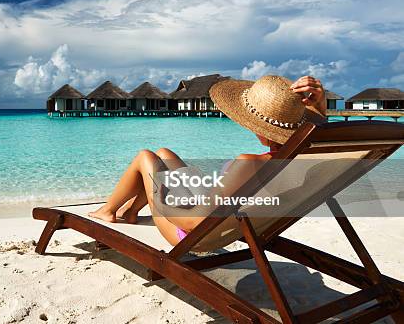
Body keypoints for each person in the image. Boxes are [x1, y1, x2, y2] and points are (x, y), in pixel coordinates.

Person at [89, 75, 327, 245]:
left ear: (261, 129)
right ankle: (130, 212)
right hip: (223, 215)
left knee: (146, 157)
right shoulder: (302, 159)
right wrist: (320, 108)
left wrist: (159, 196)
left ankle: (108, 211)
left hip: (193, 235)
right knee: (163, 154)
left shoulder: (250, 163)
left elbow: (193, 223)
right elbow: (325, 139)